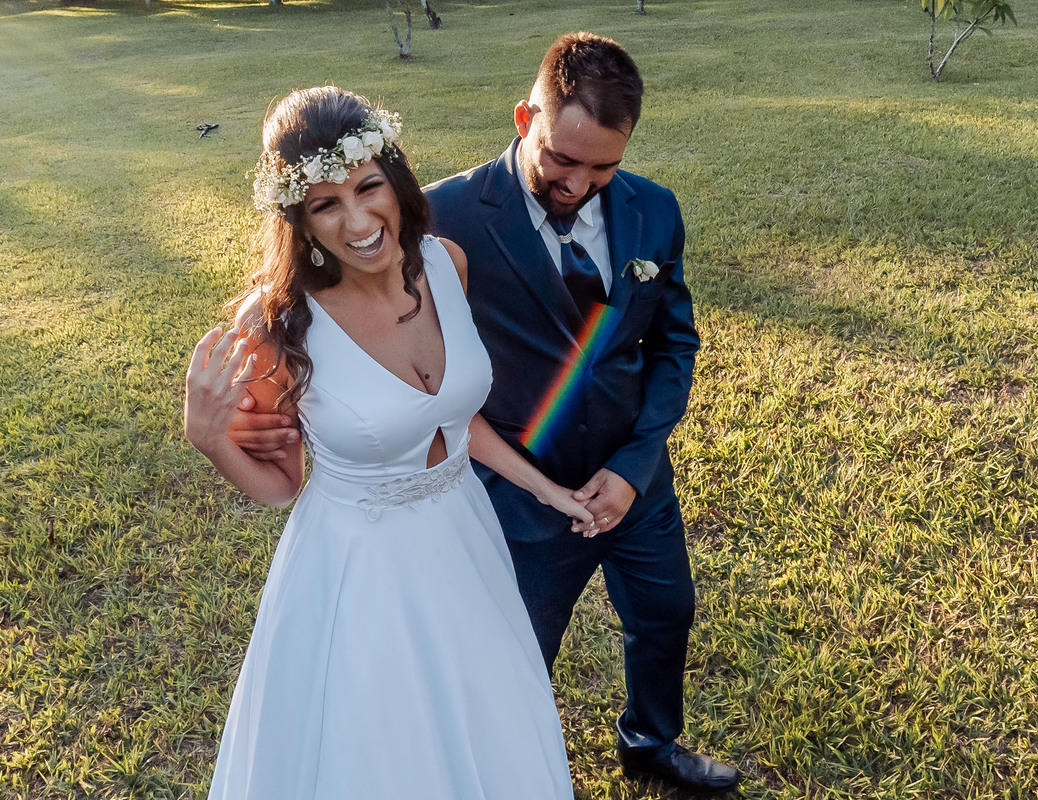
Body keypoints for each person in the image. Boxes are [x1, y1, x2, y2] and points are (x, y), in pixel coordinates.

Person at [230, 34, 740, 794]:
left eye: (604, 165)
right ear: (524, 116)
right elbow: (366, 323)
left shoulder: (653, 212)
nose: (581, 183)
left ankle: (651, 742)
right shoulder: (444, 217)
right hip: (509, 502)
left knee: (667, 614)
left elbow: (674, 345)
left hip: (634, 480)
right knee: (503, 665)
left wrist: (634, 469)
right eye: (563, 160)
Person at [184, 85, 586, 799]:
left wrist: (546, 487)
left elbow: (452, 420)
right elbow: (281, 486)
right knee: (379, 752)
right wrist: (208, 436)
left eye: (369, 187)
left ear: (395, 180)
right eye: (325, 204)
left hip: (463, 535)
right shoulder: (278, 322)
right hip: (357, 570)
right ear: (299, 219)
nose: (359, 219)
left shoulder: (444, 265)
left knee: (486, 716)